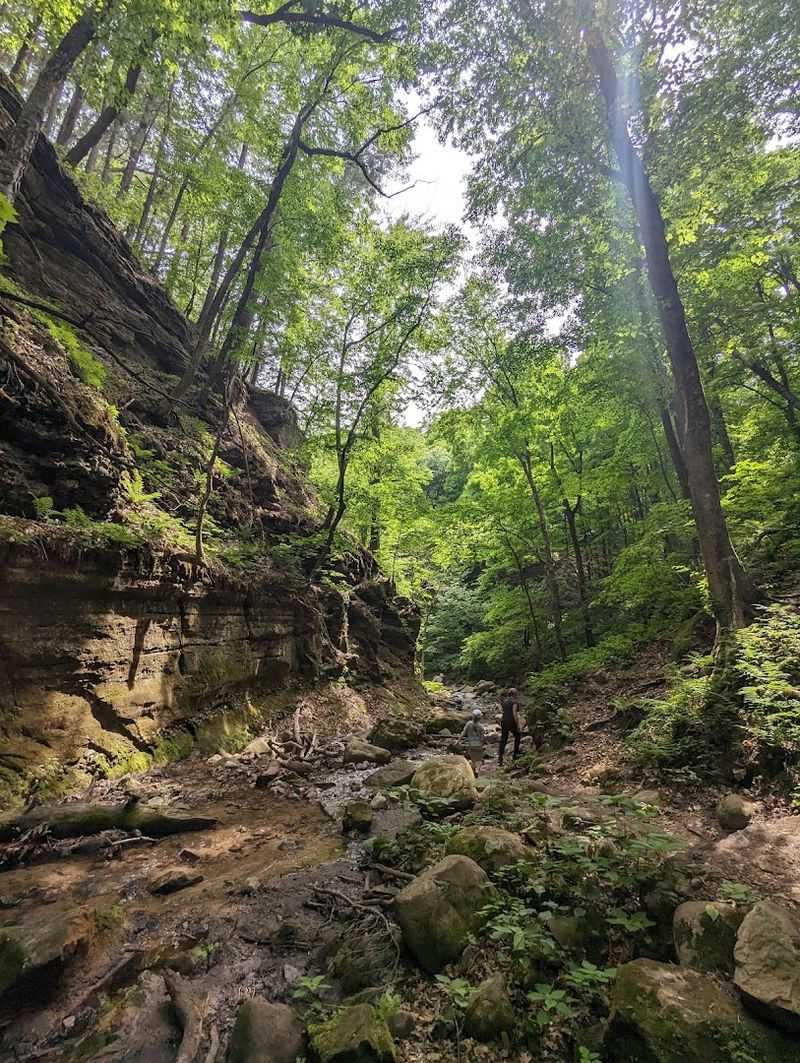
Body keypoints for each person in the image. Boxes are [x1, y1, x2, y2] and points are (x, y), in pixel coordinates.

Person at [499, 687, 522, 766]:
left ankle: (500, 758)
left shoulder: (504, 701)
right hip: (511, 722)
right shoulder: (515, 702)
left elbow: (503, 711)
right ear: (515, 694)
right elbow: (514, 714)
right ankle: (515, 754)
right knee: (518, 736)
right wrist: (518, 724)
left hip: (504, 721)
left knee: (503, 739)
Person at [460, 708, 485, 775]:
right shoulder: (481, 727)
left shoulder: (468, 724)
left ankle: (473, 770)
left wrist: (458, 741)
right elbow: (482, 738)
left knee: (473, 759)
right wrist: (482, 745)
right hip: (478, 745)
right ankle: (477, 770)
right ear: (480, 718)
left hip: (471, 744)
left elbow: (463, 733)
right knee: (479, 760)